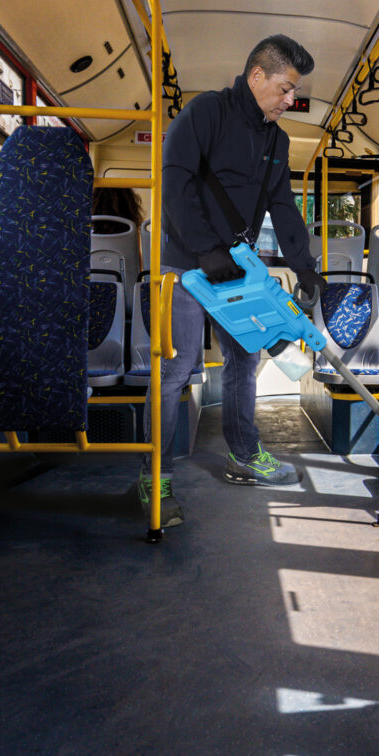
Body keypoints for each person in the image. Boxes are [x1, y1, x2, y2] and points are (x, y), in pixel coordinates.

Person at [140, 35, 327, 524]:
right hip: (184, 263)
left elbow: (284, 209)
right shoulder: (205, 114)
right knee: (176, 370)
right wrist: (204, 247)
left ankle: (244, 456)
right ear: (257, 76)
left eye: (294, 92)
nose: (291, 100)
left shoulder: (278, 141)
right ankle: (152, 474)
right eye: (286, 89)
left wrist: (304, 264)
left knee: (245, 358)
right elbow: (175, 181)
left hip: (235, 270)